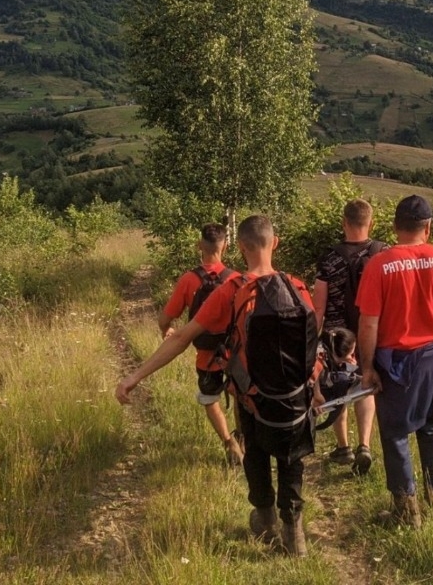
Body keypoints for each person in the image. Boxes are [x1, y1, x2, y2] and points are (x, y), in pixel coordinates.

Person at [117, 215, 317, 556]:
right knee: (291, 458)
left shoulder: (234, 289)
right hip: (296, 398)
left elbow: (180, 337)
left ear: (240, 247)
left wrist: (135, 376)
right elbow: (311, 346)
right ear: (276, 243)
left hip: (251, 396)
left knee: (254, 452)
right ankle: (294, 532)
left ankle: (265, 518)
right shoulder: (297, 286)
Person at [356, 195, 433, 528]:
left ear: (396, 227)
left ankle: (405, 511)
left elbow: (369, 322)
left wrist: (367, 368)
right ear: (427, 227)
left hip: (400, 362)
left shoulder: (380, 265)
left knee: (396, 433)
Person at [157, 223, 244, 466]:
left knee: (210, 398)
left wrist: (168, 331)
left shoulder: (188, 280)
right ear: (225, 246)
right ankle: (243, 437)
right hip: (235, 353)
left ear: (199, 246)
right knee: (239, 394)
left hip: (206, 354)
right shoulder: (237, 280)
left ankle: (228, 441)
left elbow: (165, 318)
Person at [312, 198, 385, 475]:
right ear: (372, 223)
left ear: (344, 223)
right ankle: (364, 444)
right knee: (364, 384)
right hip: (372, 333)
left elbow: (318, 306)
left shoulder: (329, 257)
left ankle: (343, 447)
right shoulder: (383, 254)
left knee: (336, 385)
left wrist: (312, 340)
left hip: (336, 336)